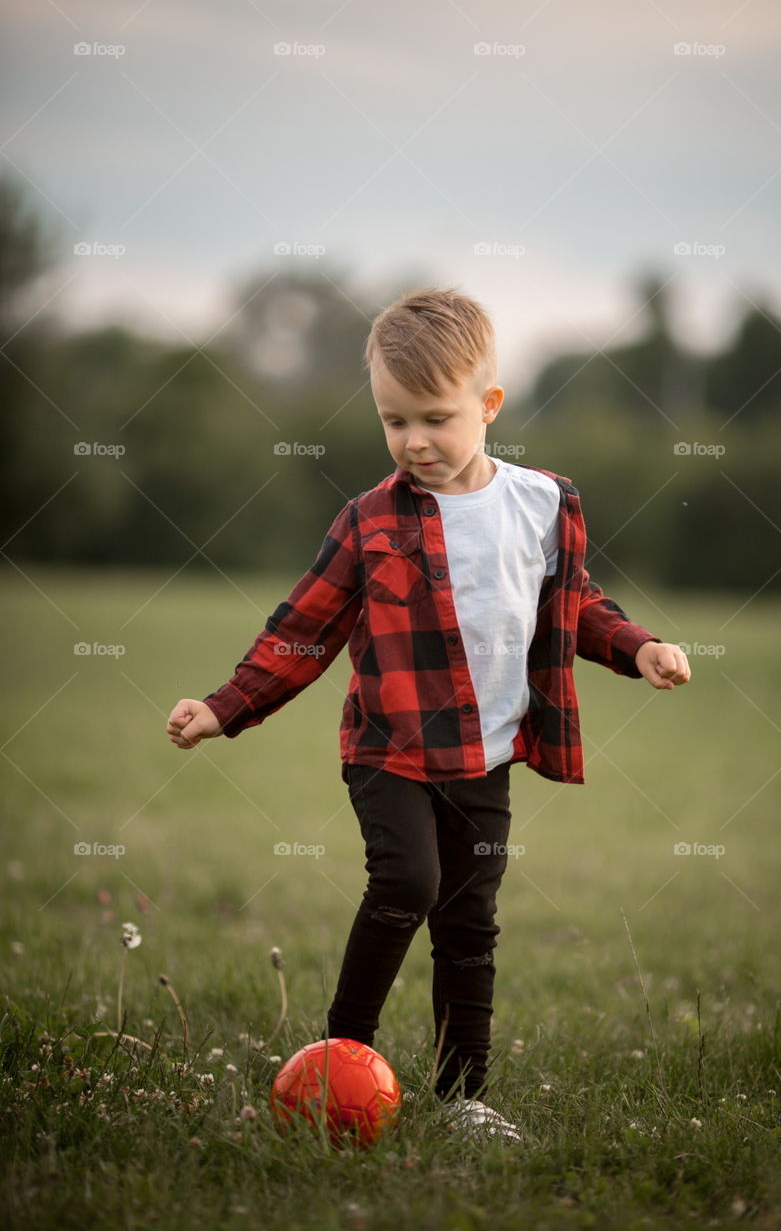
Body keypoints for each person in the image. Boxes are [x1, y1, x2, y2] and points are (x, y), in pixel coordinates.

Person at [166, 287, 691, 1143]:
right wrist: (225, 707)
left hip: (484, 758)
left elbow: (576, 603)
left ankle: (462, 1098)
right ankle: (340, 1062)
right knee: (406, 882)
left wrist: (637, 647)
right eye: (393, 421)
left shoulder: (544, 504)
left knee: (468, 921)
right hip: (388, 751)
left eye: (436, 419)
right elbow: (303, 632)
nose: (413, 442)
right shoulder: (369, 520)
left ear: (488, 406)